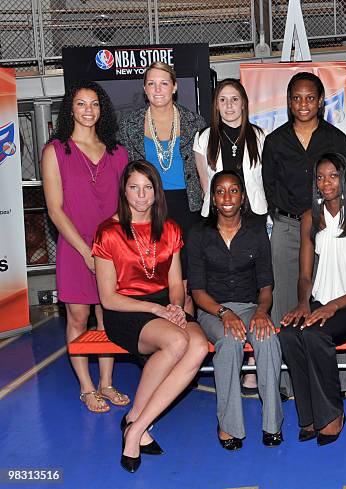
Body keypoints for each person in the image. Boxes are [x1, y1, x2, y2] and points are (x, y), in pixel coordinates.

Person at [93, 161, 208, 472]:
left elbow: (175, 285)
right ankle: (134, 434)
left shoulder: (170, 229)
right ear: (124, 191)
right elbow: (108, 298)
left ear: (157, 192)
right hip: (126, 310)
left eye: (148, 188)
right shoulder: (108, 232)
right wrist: (157, 310)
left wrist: (174, 307)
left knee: (197, 347)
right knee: (175, 342)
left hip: (164, 307)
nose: (141, 195)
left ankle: (136, 423)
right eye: (134, 187)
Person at [278, 153, 346, 445]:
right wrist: (302, 304)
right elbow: (305, 274)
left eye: (333, 176)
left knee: (314, 334)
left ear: (345, 178)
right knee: (288, 334)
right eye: (320, 177)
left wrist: (334, 306)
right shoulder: (311, 218)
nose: (326, 183)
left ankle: (333, 413)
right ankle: (309, 415)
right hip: (321, 302)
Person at [262, 72, 346, 396]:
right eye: (297, 98)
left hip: (329, 225)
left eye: (310, 98)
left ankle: (338, 381)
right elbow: (269, 186)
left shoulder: (336, 139)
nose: (303, 104)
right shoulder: (275, 141)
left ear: (321, 102)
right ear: (289, 102)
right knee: (286, 302)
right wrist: (284, 217)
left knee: (329, 298)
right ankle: (288, 382)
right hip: (288, 228)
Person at [41, 80, 130, 414]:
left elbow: (125, 206)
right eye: (81, 104)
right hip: (74, 248)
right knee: (78, 317)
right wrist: (85, 251)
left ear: (102, 109)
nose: (88, 110)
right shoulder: (55, 151)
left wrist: (110, 250)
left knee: (107, 316)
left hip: (111, 249)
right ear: (71, 108)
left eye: (94, 104)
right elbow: (55, 210)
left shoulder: (116, 152)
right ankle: (86, 386)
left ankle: (106, 382)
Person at [188, 170, 283, 450]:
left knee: (268, 341)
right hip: (212, 310)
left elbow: (266, 285)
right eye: (220, 191)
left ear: (242, 197)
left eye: (233, 191)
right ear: (213, 199)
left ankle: (272, 423)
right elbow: (197, 292)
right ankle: (228, 425)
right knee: (229, 342)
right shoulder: (198, 235)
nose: (226, 197)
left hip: (250, 308)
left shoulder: (256, 234)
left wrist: (262, 312)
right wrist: (223, 313)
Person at [119, 61, 207, 314]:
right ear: (144, 89)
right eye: (151, 84)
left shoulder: (194, 123)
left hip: (187, 208)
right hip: (148, 207)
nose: (158, 89)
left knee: (186, 283)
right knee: (152, 279)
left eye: (164, 83)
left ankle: (188, 336)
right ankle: (158, 334)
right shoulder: (129, 125)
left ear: (175, 87)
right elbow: (126, 173)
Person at [193, 78, 268, 227]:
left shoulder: (262, 136)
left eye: (234, 99)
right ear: (216, 105)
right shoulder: (202, 138)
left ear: (243, 104)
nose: (229, 105)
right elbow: (205, 183)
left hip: (253, 214)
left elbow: (267, 180)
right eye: (222, 100)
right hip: (216, 215)